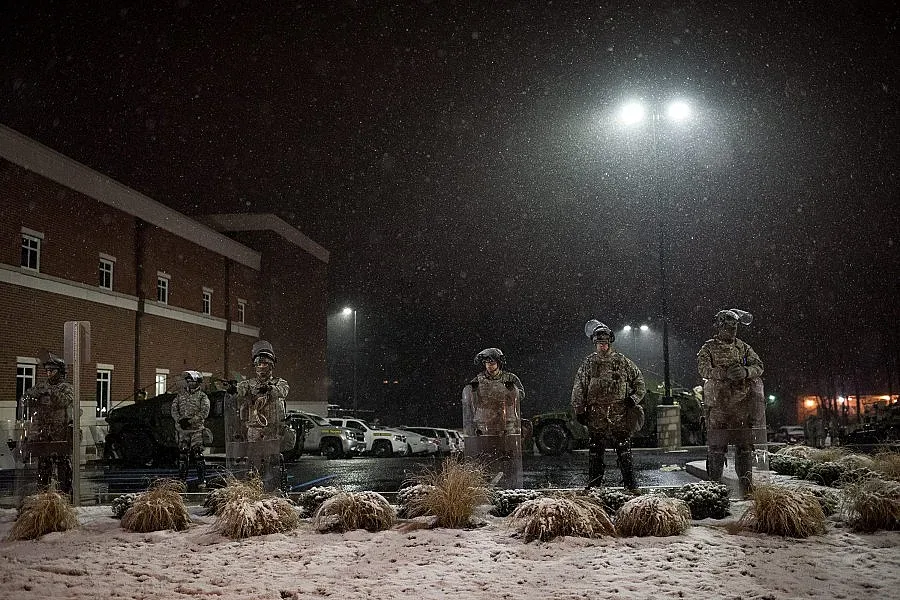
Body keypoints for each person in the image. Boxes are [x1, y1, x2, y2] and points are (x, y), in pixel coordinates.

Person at [697, 308, 764, 497]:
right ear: (720, 326)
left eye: (735, 327)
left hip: (742, 406)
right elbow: (703, 370)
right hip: (718, 406)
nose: (732, 330)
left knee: (744, 449)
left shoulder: (743, 347)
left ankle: (746, 489)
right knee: (717, 450)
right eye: (728, 326)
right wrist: (724, 373)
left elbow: (759, 366)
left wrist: (745, 372)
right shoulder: (709, 348)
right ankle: (714, 491)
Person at [571, 320, 646, 490]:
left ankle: (630, 486)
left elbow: (640, 383)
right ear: (595, 344)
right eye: (599, 343)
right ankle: (594, 486)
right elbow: (579, 387)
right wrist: (579, 409)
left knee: (624, 449)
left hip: (619, 415)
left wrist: (633, 399)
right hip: (596, 415)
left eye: (605, 343)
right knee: (595, 451)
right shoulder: (589, 363)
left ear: (610, 343)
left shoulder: (623, 362)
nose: (603, 346)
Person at [462, 347, 525, 488]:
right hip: (486, 427)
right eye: (486, 363)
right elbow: (471, 399)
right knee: (487, 459)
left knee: (507, 460)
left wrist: (509, 392)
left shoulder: (510, 378)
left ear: (499, 363)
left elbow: (520, 395)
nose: (489, 366)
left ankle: (509, 486)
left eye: (492, 362)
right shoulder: (478, 380)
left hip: (506, 425)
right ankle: (486, 487)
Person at [234, 341, 289, 491]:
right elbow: (239, 391)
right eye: (259, 364)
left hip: (272, 428)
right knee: (254, 460)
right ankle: (254, 489)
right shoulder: (249, 384)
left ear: (271, 366)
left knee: (272, 460)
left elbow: (283, 391)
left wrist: (269, 388)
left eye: (264, 364)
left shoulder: (279, 383)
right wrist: (232, 388)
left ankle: (277, 488)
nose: (261, 367)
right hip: (254, 428)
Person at [23, 355, 74, 494]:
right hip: (43, 434)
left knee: (63, 467)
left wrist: (50, 392)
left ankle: (64, 495)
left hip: (60, 435)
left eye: (52, 370)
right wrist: (34, 395)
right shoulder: (42, 385)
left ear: (60, 371)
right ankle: (43, 495)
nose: (49, 373)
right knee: (44, 467)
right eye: (47, 370)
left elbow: (65, 401)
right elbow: (28, 396)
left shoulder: (66, 387)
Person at [170, 370, 210, 490]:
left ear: (198, 382)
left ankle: (201, 480)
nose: (190, 383)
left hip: (196, 430)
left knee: (198, 454)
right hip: (183, 430)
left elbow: (204, 412)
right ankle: (182, 480)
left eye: (192, 381)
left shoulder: (202, 396)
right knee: (183, 455)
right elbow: (174, 409)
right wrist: (179, 420)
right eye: (188, 381)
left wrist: (191, 421)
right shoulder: (180, 395)